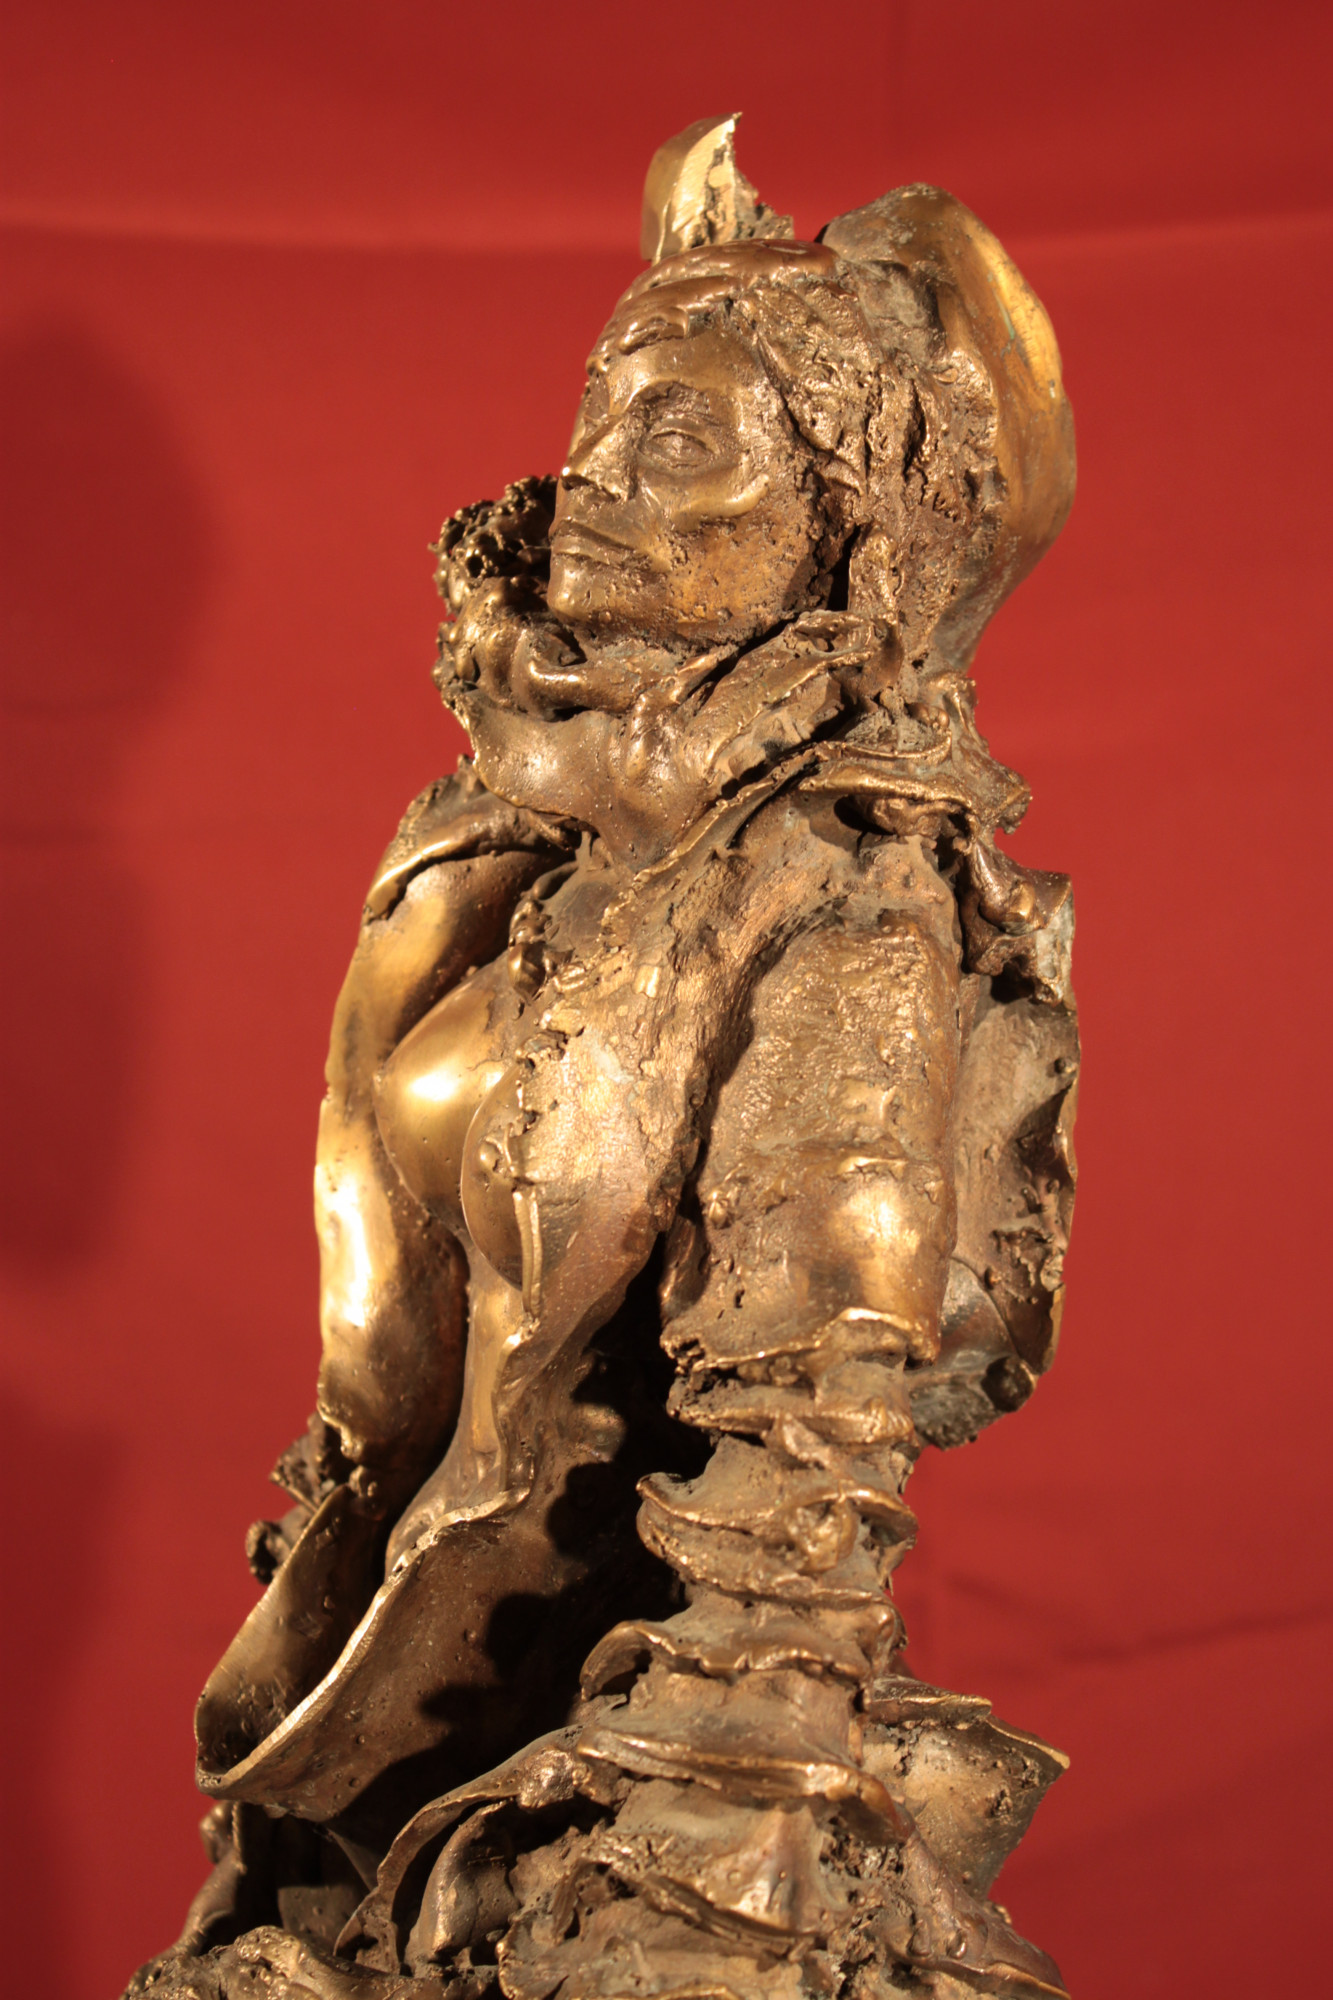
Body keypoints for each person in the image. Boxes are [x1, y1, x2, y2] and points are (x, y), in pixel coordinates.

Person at [133, 121, 1080, 2000]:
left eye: (686, 441)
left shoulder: (846, 899)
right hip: (391, 1718)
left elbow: (809, 1444)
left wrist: (702, 1850)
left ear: (842, 529)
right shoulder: (498, 827)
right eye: (601, 416)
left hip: (649, 1774)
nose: (596, 478)